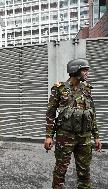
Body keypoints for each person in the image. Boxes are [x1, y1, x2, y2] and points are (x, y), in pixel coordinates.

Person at [44, 58, 102, 189]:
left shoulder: (87, 89)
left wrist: (96, 136)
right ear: (75, 70)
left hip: (84, 137)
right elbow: (51, 114)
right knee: (60, 169)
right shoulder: (59, 89)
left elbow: (92, 113)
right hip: (65, 136)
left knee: (84, 171)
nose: (87, 73)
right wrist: (48, 136)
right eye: (84, 70)